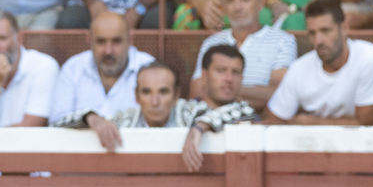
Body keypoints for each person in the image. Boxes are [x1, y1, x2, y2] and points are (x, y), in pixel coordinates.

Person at [55, 55, 255, 169]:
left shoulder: (189, 113)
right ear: (136, 96)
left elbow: (245, 109)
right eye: (147, 92)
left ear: (177, 95)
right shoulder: (126, 120)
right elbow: (57, 124)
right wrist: (93, 119)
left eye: (163, 92)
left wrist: (199, 128)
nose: (155, 101)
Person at [265, 0, 373, 125]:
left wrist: (312, 123)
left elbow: (365, 124)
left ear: (344, 28)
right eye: (312, 33)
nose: (318, 40)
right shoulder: (299, 68)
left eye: (325, 31)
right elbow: (274, 121)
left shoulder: (371, 59)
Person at [190, 0, 297, 110]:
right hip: (214, 126)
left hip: (258, 125)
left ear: (261, 3)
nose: (237, 7)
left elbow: (280, 95)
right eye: (230, 0)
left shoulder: (283, 41)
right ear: (223, 6)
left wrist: (221, 91)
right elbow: (196, 94)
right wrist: (257, 92)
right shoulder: (211, 42)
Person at [47, 11, 155, 123]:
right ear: (89, 40)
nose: (108, 51)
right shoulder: (73, 68)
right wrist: (87, 119)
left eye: (116, 41)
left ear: (130, 40)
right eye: (101, 42)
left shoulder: (149, 68)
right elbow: (56, 121)